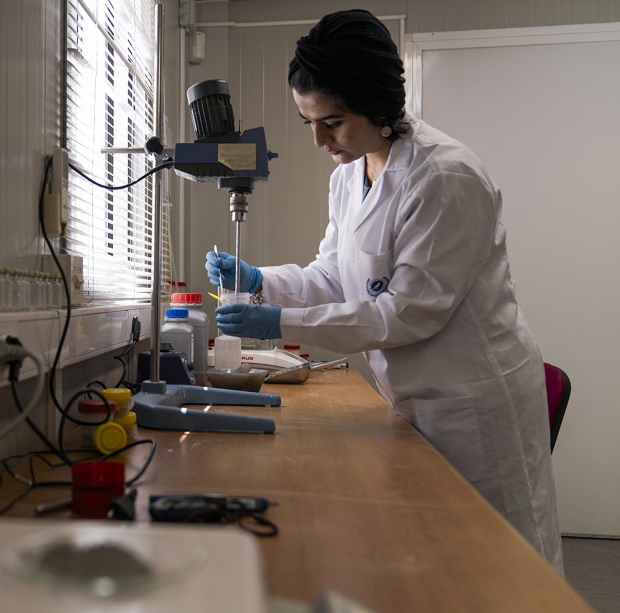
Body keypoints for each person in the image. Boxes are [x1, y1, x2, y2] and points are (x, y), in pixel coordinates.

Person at [206, 9, 563, 572]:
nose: (320, 139)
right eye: (310, 124)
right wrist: (259, 281)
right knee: (432, 554)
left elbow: (407, 313)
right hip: (413, 396)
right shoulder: (348, 175)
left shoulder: (445, 177)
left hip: (472, 403)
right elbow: (331, 276)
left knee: (500, 565)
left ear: (379, 105)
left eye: (334, 122)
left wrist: (278, 322)